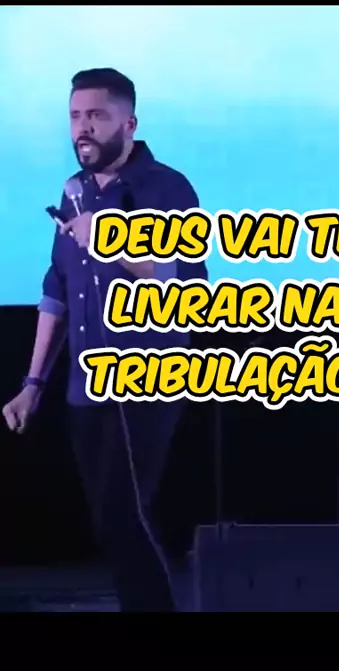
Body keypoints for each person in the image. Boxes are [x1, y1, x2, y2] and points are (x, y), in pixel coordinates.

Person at [2, 68, 208, 612]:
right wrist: (32, 384)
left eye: (96, 115)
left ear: (129, 124)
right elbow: (58, 288)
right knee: (109, 524)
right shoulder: (73, 192)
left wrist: (116, 245)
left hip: (147, 380)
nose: (83, 128)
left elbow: (188, 283)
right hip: (84, 387)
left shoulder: (167, 189)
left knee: (125, 516)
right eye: (75, 116)